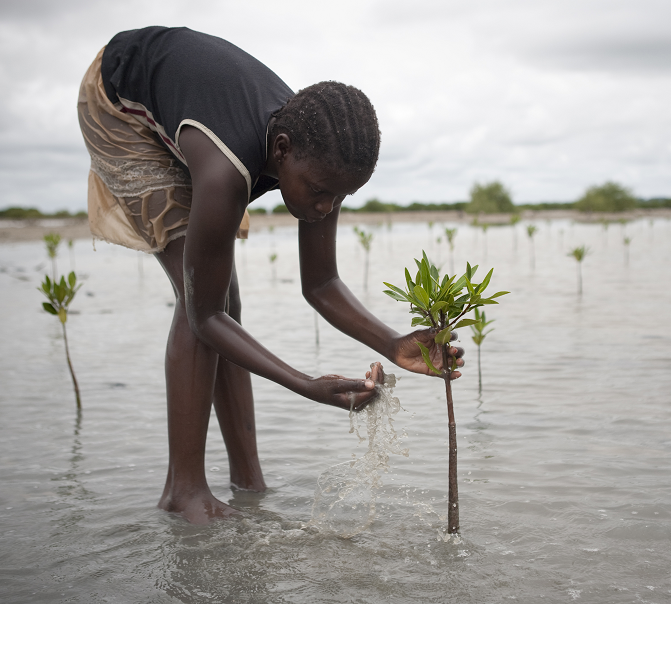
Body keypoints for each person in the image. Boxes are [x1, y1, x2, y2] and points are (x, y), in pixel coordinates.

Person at [77, 26, 462, 523]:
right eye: (321, 191)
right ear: (280, 151)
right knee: (204, 301)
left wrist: (393, 344)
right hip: (120, 99)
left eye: (341, 197)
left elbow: (320, 283)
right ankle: (183, 490)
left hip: (194, 106)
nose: (326, 206)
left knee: (223, 303)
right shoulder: (226, 169)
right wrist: (306, 385)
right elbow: (205, 315)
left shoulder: (320, 157)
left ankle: (247, 481)